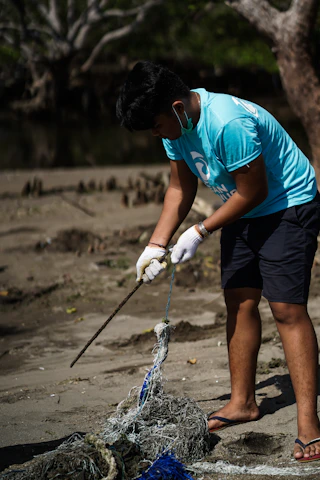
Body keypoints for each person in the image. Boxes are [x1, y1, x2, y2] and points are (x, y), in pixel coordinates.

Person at [116, 60, 320, 462]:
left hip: (287, 205)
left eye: (156, 126)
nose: (156, 135)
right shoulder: (176, 126)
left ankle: (309, 424)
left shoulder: (226, 123)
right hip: (242, 208)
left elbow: (255, 190)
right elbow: (180, 185)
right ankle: (242, 402)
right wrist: (157, 244)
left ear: (176, 107)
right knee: (239, 299)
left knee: (285, 308)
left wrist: (200, 231)